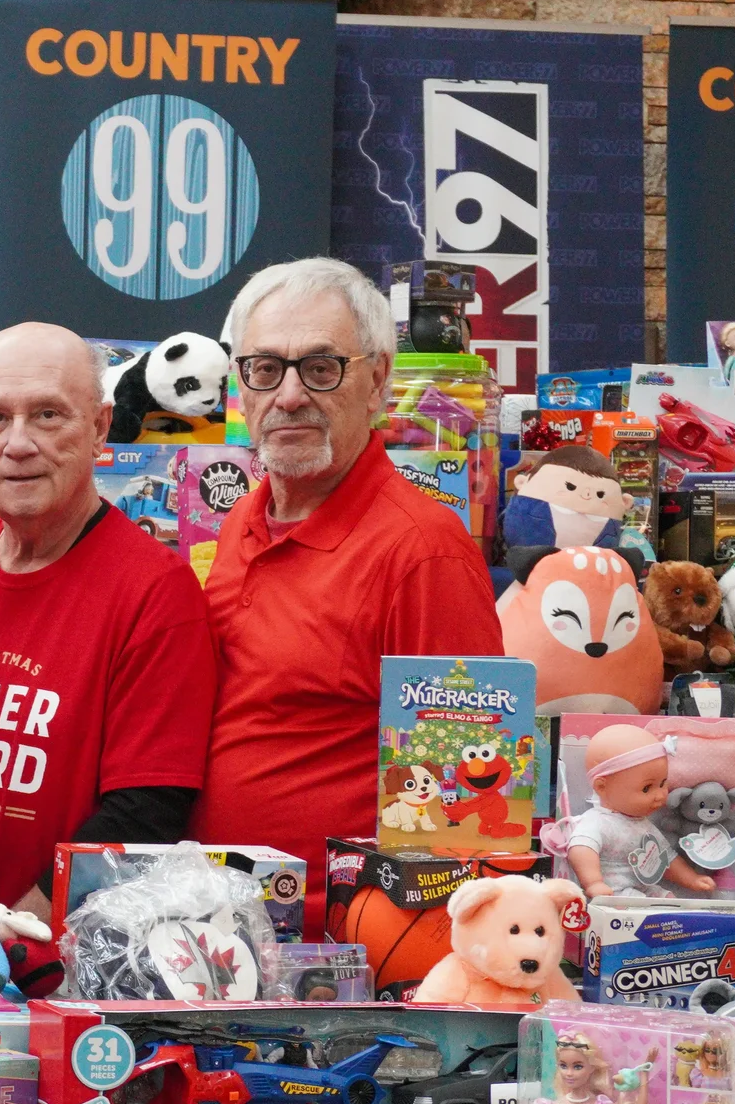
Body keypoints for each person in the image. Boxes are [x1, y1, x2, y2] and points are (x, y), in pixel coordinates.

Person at [194, 258, 503, 923]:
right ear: (241, 385)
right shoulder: (243, 519)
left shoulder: (425, 550)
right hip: (219, 928)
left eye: (321, 367)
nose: (290, 395)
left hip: (334, 952)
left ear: (378, 381)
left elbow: (461, 807)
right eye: (266, 369)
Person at [0, 323, 216, 920]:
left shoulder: (157, 593)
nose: (17, 444)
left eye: (48, 415)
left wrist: (9, 940)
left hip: (42, 978)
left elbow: (145, 811)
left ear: (99, 427)